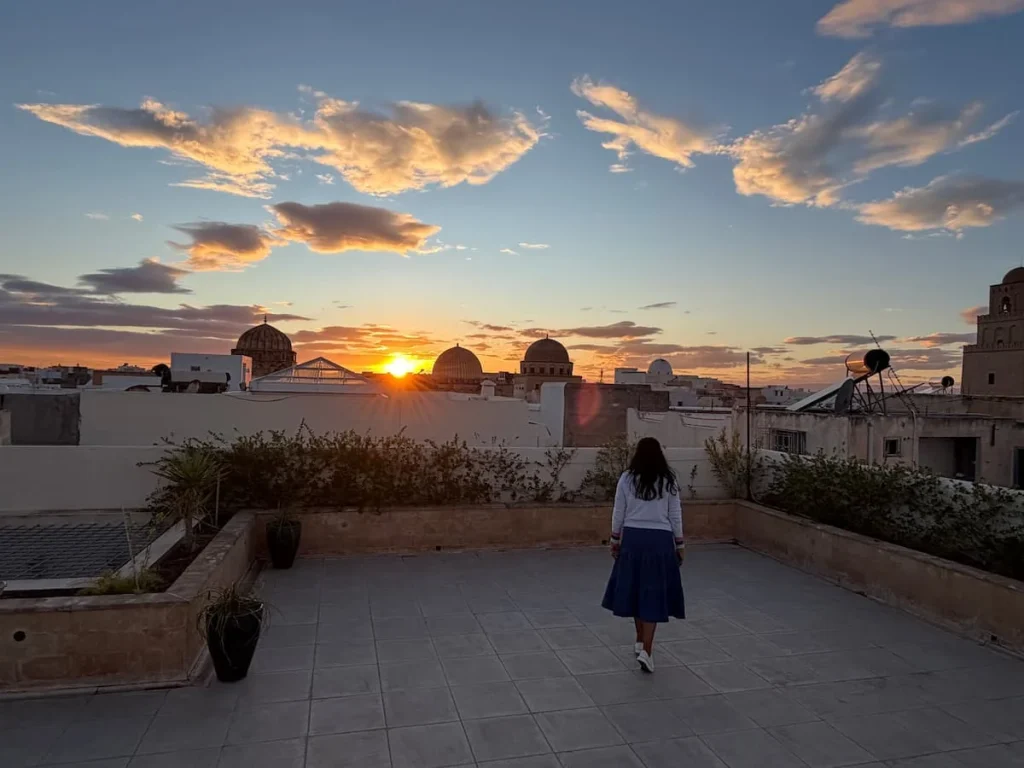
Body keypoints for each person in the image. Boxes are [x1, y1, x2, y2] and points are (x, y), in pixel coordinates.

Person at [601, 437, 685, 673]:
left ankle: (640, 641)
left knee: (636, 589)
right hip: (660, 541)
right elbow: (675, 515)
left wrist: (615, 539)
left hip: (633, 539)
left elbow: (619, 511)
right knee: (653, 594)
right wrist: (680, 544)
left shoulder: (627, 479)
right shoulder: (668, 480)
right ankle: (647, 648)